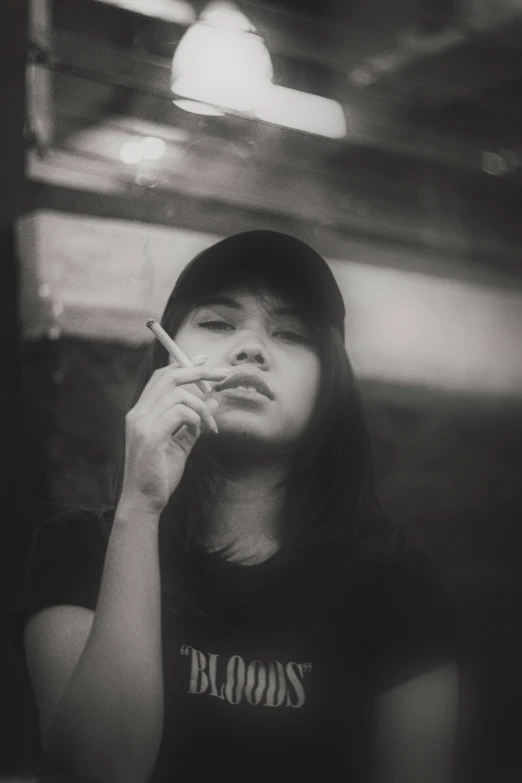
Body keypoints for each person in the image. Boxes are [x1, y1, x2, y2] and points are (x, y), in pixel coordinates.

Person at [10, 231, 459, 783]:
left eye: (291, 333)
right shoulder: (77, 550)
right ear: (165, 358)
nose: (250, 347)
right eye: (219, 323)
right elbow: (101, 771)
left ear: (331, 384)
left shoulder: (393, 583)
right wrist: (140, 506)